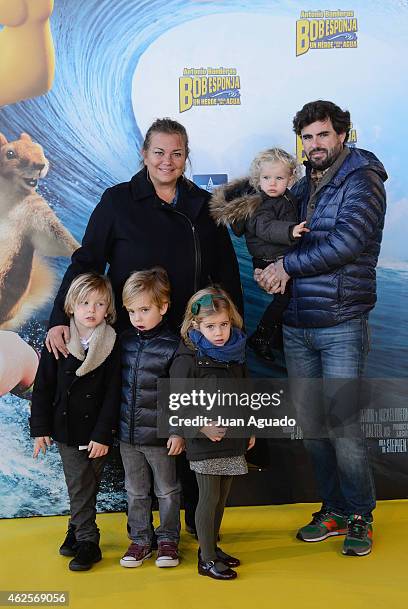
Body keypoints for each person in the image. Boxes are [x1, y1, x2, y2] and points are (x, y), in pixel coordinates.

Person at [45, 117, 243, 534]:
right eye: (159, 152)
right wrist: (60, 318)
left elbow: (226, 276)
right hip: (129, 340)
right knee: (121, 432)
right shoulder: (118, 202)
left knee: (188, 430)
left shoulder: (205, 207)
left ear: (187, 156)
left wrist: (232, 338)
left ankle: (195, 525)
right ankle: (86, 530)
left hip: (188, 342)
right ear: (144, 154)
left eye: (176, 152)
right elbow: (86, 262)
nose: (167, 161)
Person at [255, 100, 387, 556]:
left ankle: (359, 516)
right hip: (297, 322)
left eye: (323, 135)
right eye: (307, 138)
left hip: (342, 322)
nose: (315, 145)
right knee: (313, 426)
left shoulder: (363, 180)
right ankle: (332, 508)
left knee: (345, 427)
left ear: (343, 135)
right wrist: (266, 265)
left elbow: (348, 243)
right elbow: (267, 224)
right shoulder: (302, 183)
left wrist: (286, 266)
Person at [30, 273, 121, 571]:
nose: (91, 310)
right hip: (66, 429)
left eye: (99, 304)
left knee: (86, 485)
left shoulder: (112, 343)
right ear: (71, 306)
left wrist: (103, 435)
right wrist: (40, 429)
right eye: (84, 303)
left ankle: (74, 528)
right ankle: (88, 541)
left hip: (97, 431)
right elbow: (42, 387)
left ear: (108, 309)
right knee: (78, 483)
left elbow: (112, 394)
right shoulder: (59, 341)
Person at [169, 287, 255, 580]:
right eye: (210, 326)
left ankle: (213, 548)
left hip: (233, 438)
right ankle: (205, 559)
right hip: (205, 441)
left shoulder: (236, 352)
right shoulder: (187, 359)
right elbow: (175, 402)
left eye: (224, 324)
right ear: (195, 325)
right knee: (208, 496)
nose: (219, 332)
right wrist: (199, 427)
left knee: (222, 497)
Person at [211, 147, 309, 361]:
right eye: (266, 178)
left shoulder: (287, 197)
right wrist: (290, 231)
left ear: (291, 178)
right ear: (258, 179)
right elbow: (264, 227)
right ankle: (261, 337)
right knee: (284, 298)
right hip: (268, 259)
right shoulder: (261, 203)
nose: (272, 183)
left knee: (290, 298)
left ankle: (274, 337)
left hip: (278, 256)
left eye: (279, 178)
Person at [118, 267, 184, 569]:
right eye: (132, 311)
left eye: (144, 310)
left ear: (163, 307)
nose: (137, 317)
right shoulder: (122, 341)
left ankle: (168, 539)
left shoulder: (173, 346)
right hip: (127, 436)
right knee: (135, 491)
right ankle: (140, 540)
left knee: (167, 490)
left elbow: (179, 394)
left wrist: (177, 430)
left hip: (159, 437)